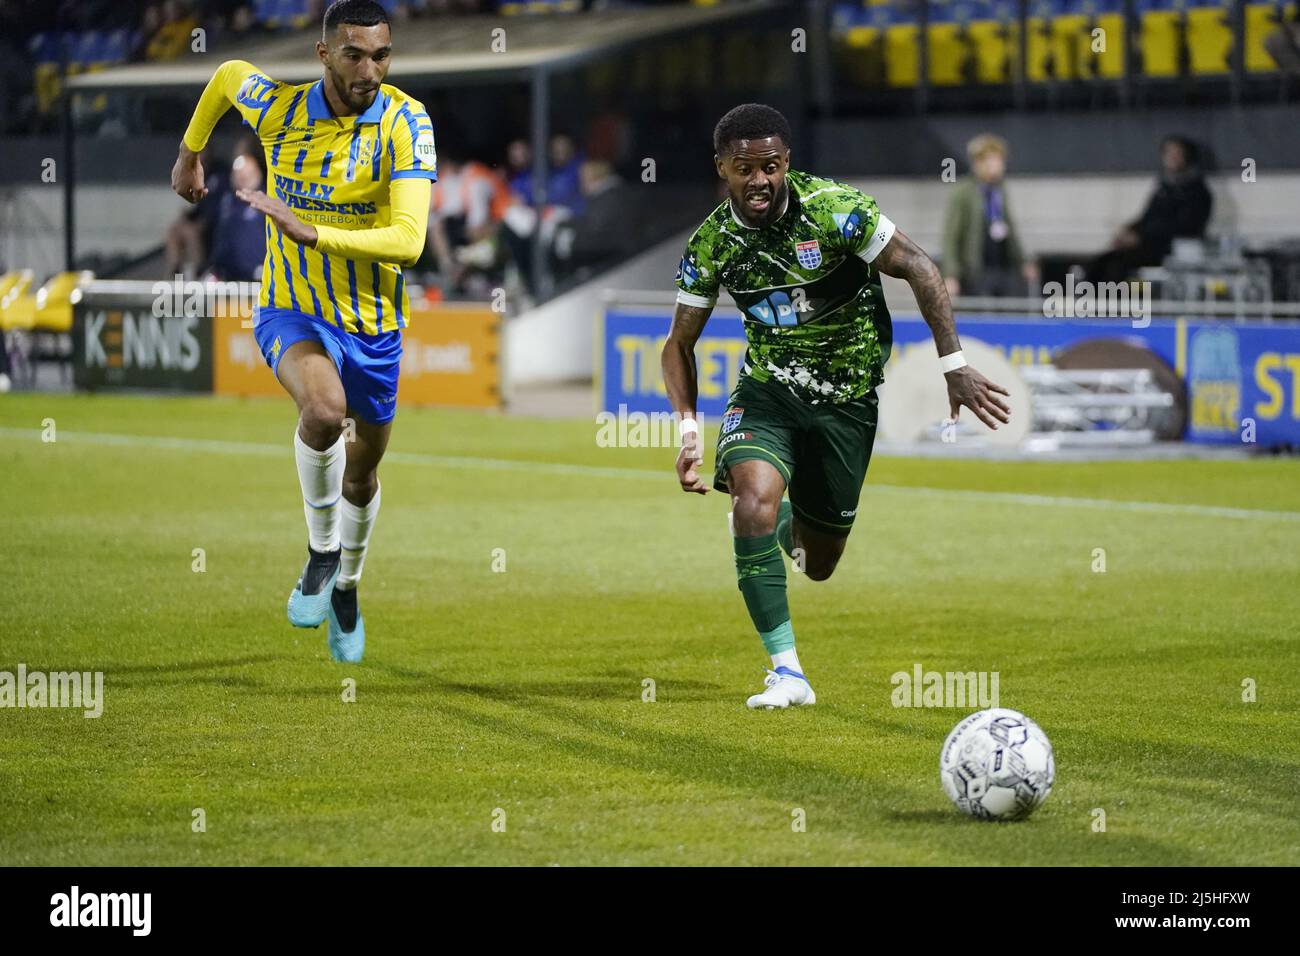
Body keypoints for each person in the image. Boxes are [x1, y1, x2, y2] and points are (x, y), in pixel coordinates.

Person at [661, 104, 1010, 709]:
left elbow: (920, 267)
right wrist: (688, 426)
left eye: (770, 166)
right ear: (722, 168)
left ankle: (772, 526)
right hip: (768, 393)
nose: (759, 180)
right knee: (753, 499)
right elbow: (678, 345)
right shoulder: (712, 243)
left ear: (786, 163)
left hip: (847, 405)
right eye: (744, 168)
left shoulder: (835, 210)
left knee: (818, 562)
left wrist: (953, 365)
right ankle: (788, 671)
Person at [170, 0, 437, 662]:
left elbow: (408, 243)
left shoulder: (405, 122)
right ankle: (322, 552)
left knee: (363, 475)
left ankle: (347, 585)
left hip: (374, 326)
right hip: (293, 307)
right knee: (323, 410)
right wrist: (189, 155)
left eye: (381, 55)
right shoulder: (283, 110)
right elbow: (230, 73)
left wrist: (310, 229)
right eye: (354, 54)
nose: (370, 69)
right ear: (325, 55)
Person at [1087, 135, 1212, 285]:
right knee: (1099, 263)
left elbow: (1184, 227)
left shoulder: (1197, 192)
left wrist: (1140, 237)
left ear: (1187, 157)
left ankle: (1113, 306)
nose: (1171, 158)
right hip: (1146, 245)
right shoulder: (1164, 189)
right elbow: (1147, 217)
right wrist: (1129, 231)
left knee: (1117, 267)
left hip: (1169, 250)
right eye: (1168, 153)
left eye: (1176, 154)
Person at [941, 133, 1037, 298]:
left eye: (1000, 161)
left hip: (1002, 268)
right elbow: (951, 237)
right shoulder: (964, 192)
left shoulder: (1000, 191)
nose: (1000, 166)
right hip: (976, 271)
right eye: (994, 160)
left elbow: (1010, 229)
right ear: (979, 163)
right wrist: (951, 275)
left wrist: (1023, 261)